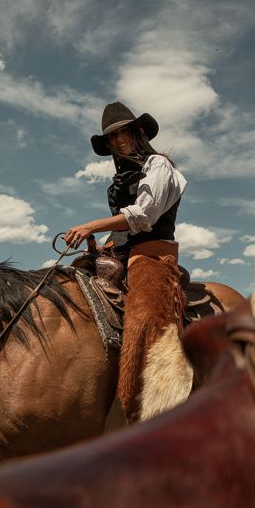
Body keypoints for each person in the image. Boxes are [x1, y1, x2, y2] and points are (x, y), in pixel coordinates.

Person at [65, 102, 188, 423]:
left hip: (153, 255)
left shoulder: (159, 166)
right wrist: (100, 247)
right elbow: (121, 232)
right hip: (124, 253)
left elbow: (144, 215)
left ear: (139, 132)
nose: (118, 141)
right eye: (111, 138)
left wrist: (90, 226)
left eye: (123, 133)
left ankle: (151, 409)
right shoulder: (121, 180)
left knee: (147, 318)